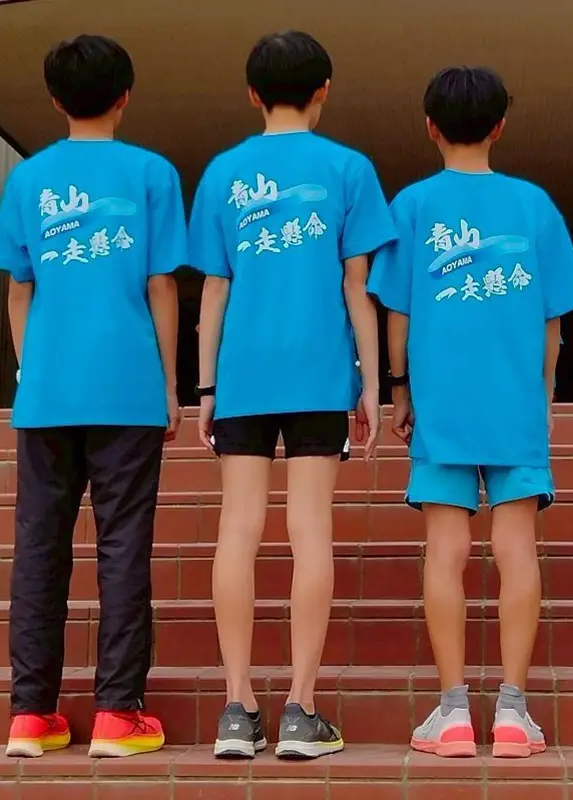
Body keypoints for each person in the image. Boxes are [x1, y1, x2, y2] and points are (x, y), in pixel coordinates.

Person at [368, 66, 573, 759]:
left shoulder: (411, 206)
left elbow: (397, 314)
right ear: (500, 126)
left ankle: (454, 712)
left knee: (447, 549)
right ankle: (514, 715)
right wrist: (543, 395)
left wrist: (399, 389)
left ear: (430, 127)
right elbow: (553, 321)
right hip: (515, 401)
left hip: (441, 403)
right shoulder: (534, 205)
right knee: (516, 547)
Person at [189, 30, 394, 760]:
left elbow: (215, 289)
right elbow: (358, 288)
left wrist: (205, 386)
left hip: (243, 375)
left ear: (252, 93)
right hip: (318, 374)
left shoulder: (223, 171)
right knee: (311, 531)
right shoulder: (349, 168)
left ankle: (237, 708)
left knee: (238, 530)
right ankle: (301, 711)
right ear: (323, 90)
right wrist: (374, 385)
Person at [0, 35, 183, 759]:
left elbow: (19, 290)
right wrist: (170, 384)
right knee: (124, 547)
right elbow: (161, 285)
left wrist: (32, 367)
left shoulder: (27, 179)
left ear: (54, 98)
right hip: (128, 390)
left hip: (47, 394)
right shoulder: (152, 173)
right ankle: (116, 714)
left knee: (39, 548)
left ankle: (30, 716)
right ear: (125, 96)